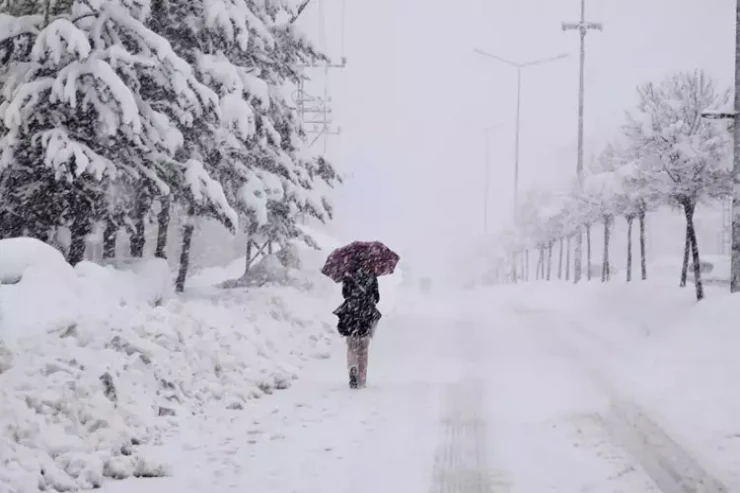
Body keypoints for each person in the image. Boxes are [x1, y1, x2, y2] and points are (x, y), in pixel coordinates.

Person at [333, 267, 381, 389]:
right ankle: (362, 378)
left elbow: (345, 294)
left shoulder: (348, 273)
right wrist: (368, 297)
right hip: (365, 315)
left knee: (351, 347)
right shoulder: (371, 274)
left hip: (351, 315)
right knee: (363, 349)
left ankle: (352, 367)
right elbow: (376, 297)